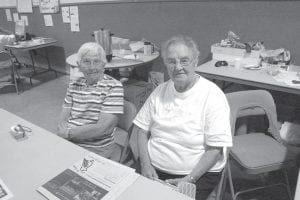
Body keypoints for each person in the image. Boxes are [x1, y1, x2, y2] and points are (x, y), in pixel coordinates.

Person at [133, 35, 232, 199]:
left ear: (195, 61)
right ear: (166, 64)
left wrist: (189, 179)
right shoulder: (160, 91)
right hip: (153, 169)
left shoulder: (213, 96)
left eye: (184, 60)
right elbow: (141, 131)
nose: (178, 67)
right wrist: (145, 164)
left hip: (196, 174)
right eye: (171, 61)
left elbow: (215, 150)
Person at [57, 42, 124, 161]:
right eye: (86, 61)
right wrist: (65, 134)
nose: (92, 67)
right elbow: (63, 118)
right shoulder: (74, 84)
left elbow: (103, 128)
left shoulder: (114, 87)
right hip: (69, 142)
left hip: (96, 148)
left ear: (104, 64)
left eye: (96, 61)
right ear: (79, 65)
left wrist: (68, 133)